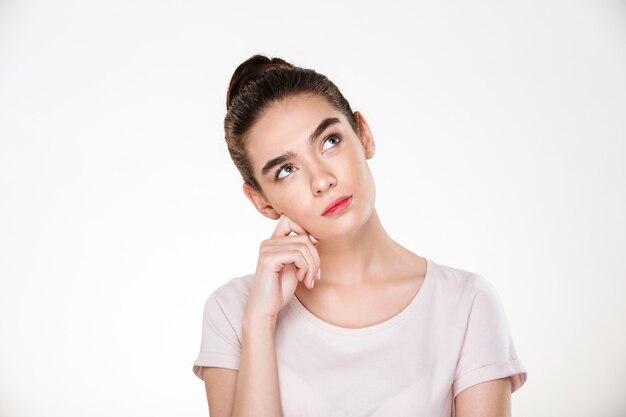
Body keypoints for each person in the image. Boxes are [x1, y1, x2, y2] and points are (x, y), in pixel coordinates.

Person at [192, 54, 527, 417]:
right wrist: (260, 322)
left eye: (330, 142)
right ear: (260, 201)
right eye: (287, 169)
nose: (322, 180)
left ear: (364, 135)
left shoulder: (467, 304)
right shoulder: (232, 312)